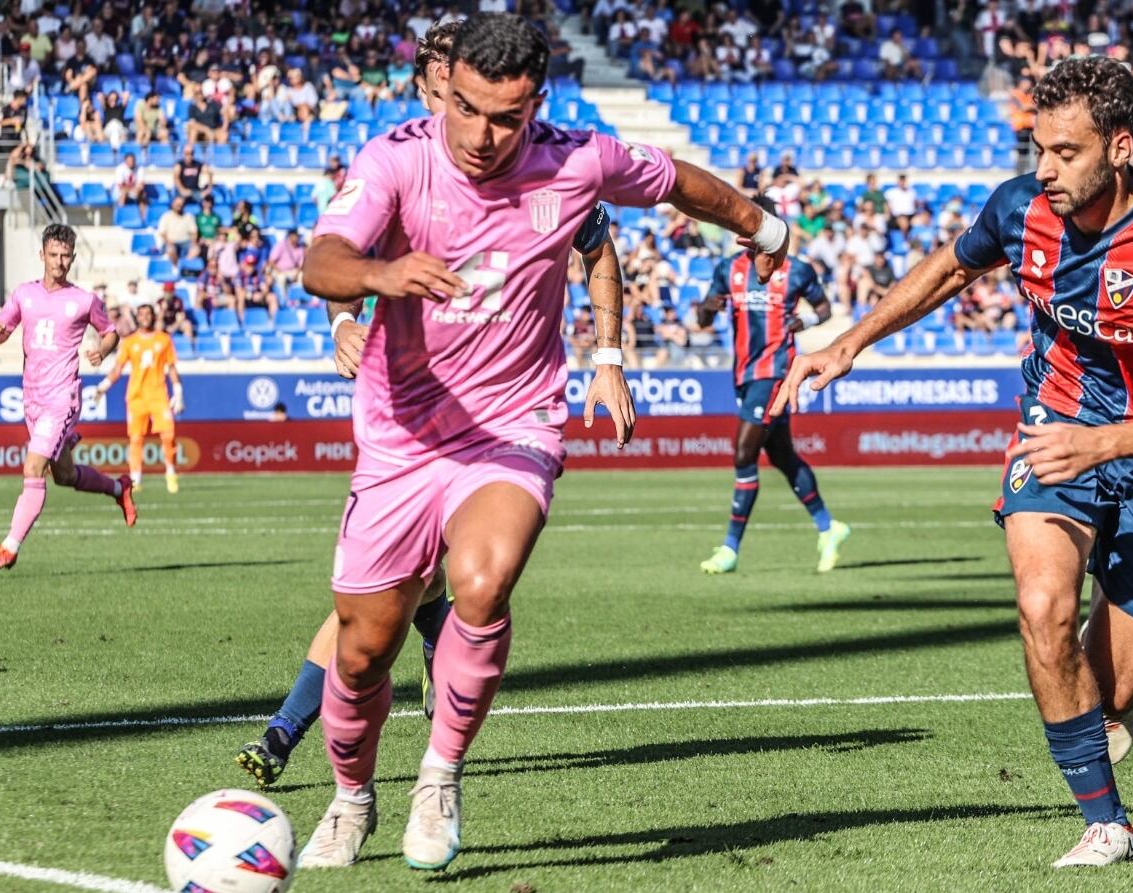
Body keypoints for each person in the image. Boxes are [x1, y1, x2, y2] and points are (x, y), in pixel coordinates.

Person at [289, 13, 787, 873]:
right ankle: (351, 795)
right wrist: (379, 273)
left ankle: (440, 775)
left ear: (536, 104)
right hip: (403, 436)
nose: (485, 136)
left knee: (481, 584)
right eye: (472, 111)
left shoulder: (577, 158)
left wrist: (764, 228)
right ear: (449, 92)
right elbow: (322, 260)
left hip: (513, 425)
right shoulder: (395, 160)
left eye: (507, 118)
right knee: (365, 646)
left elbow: (678, 185)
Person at [774, 56, 1133, 868]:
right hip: (1055, 426)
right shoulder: (1020, 209)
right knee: (1043, 607)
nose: (1045, 170)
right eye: (1038, 148)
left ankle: (1109, 708)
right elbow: (952, 267)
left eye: (1066, 153)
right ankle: (1109, 824)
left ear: (1121, 146)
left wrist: (1105, 443)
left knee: (1107, 698)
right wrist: (850, 339)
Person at [232, 17, 628, 792]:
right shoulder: (398, 160)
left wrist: (607, 357)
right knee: (378, 610)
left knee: (435, 591)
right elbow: (340, 260)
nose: (463, 107)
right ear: (429, 88)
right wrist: (346, 321)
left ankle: (302, 735)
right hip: (403, 417)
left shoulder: (545, 162)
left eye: (481, 96)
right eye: (445, 87)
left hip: (495, 427)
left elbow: (596, 243)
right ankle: (370, 719)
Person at [698, 195, 843, 574]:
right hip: (744, 374)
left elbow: (824, 310)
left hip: (776, 373)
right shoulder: (728, 269)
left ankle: (730, 548)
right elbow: (702, 318)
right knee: (782, 456)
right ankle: (829, 527)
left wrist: (805, 323)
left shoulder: (797, 271)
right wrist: (706, 309)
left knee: (744, 453)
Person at [0, 224, 137, 572]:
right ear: (42, 256)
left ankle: (9, 548)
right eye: (54, 255)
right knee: (63, 475)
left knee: (33, 468)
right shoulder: (24, 294)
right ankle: (118, 488)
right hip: (32, 399)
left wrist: (102, 350)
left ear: (73, 258)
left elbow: (111, 334)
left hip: (62, 397)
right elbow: (2, 330)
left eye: (66, 256)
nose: (59, 262)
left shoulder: (83, 300)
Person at [92, 303, 184, 494]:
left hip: (159, 395)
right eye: (141, 314)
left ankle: (171, 473)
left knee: (168, 435)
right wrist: (103, 386)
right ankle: (136, 479)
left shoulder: (164, 339)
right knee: (136, 439)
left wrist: (178, 391)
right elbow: (118, 369)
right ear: (137, 316)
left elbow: (171, 367)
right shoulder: (129, 342)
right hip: (136, 397)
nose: (145, 317)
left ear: (153, 316)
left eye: (148, 314)